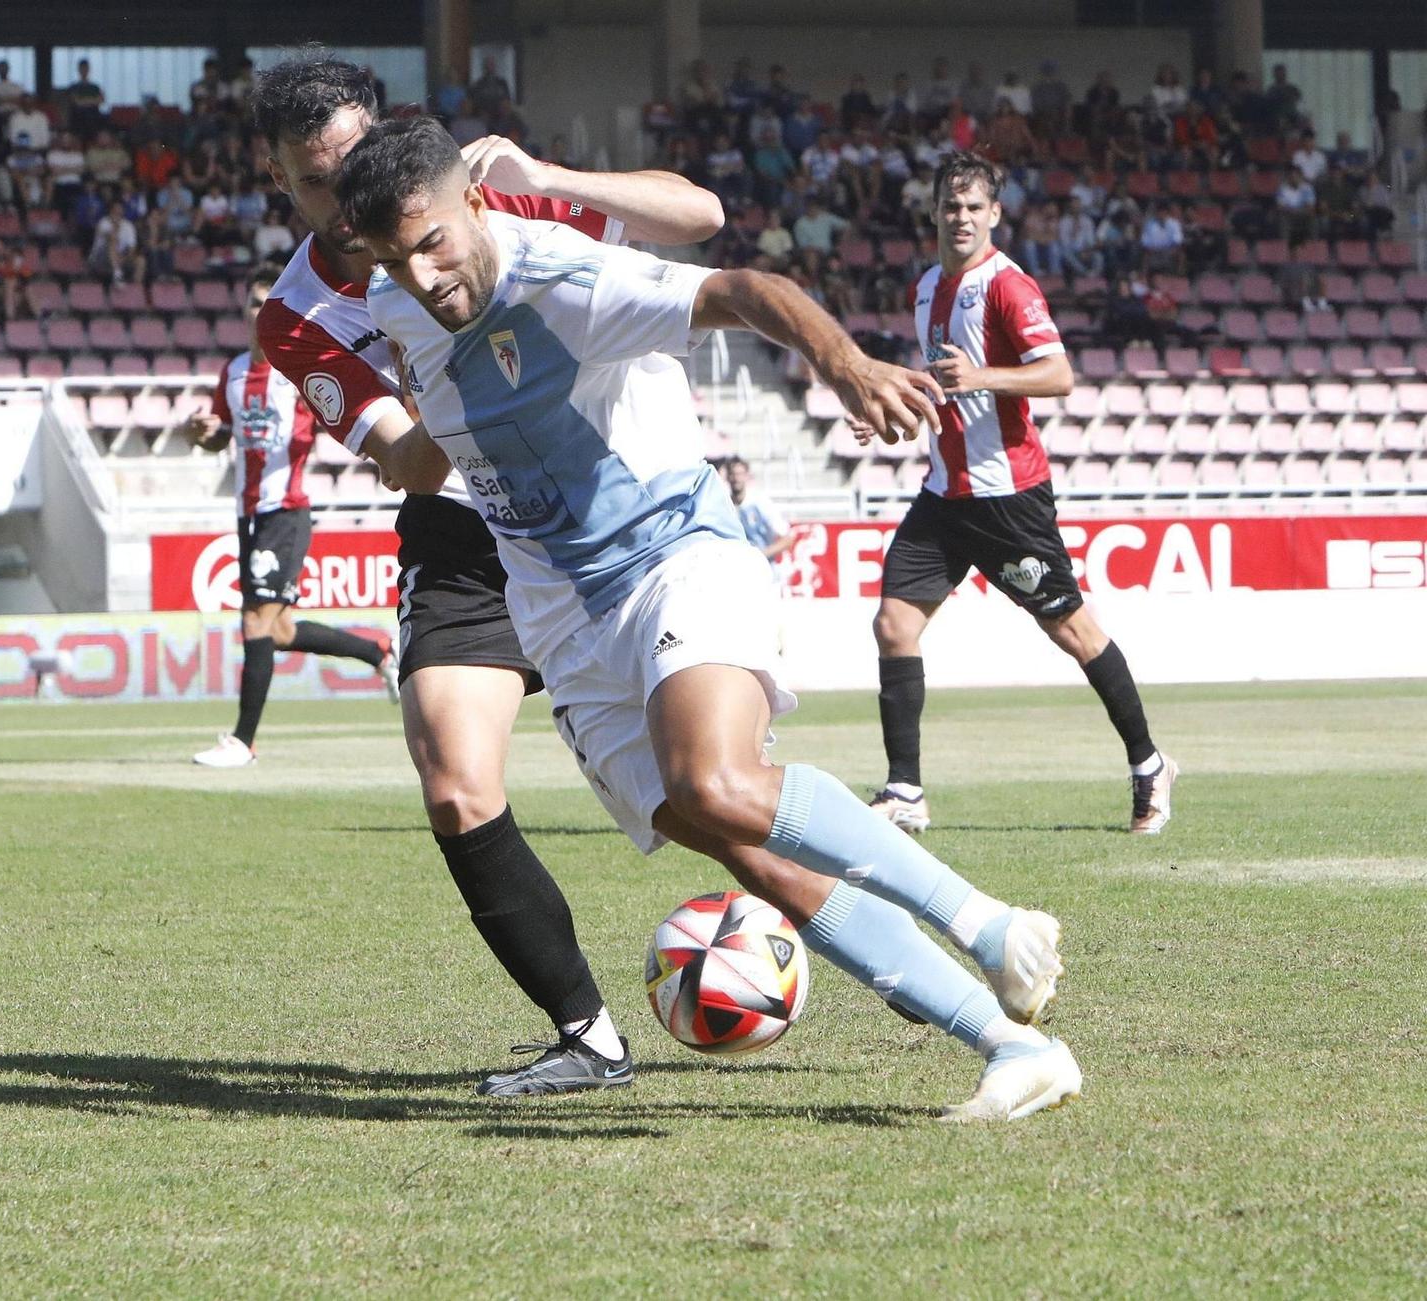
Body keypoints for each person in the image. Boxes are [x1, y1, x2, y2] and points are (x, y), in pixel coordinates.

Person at [338, 116, 1081, 1122]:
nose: (421, 276)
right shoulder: (397, 300)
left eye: (432, 243)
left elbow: (736, 286)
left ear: (473, 205)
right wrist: (396, 447)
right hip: (563, 619)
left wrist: (844, 361)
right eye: (394, 257)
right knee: (736, 838)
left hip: (672, 557)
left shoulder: (560, 280)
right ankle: (1009, 1042)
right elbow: (446, 434)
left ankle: (986, 922)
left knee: (716, 778)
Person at [248, 56, 723, 1098]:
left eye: (349, 161)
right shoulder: (293, 317)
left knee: (706, 798)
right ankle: (587, 1035)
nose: (336, 195)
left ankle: (869, 909)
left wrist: (553, 176)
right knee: (455, 784)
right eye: (311, 180)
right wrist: (453, 381)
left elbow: (698, 214)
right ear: (278, 180)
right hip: (467, 540)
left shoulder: (477, 197)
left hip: (605, 518)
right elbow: (411, 462)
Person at [861, 152, 1175, 836]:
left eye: (975, 207)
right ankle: (905, 789)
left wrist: (982, 377)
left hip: (1008, 498)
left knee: (1074, 631)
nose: (962, 217)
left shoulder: (1009, 287)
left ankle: (1149, 763)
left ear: (996, 214)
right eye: (951, 205)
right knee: (894, 625)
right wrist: (886, 406)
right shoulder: (925, 288)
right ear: (934, 211)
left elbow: (1059, 374)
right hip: (944, 495)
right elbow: (943, 381)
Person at [187, 269, 401, 769]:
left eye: (267, 302)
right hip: (248, 512)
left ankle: (243, 741)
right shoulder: (234, 372)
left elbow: (337, 411)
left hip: (287, 509)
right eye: (252, 303)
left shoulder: (295, 371)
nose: (258, 311)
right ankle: (378, 651)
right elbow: (221, 435)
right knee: (278, 630)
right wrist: (202, 431)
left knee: (255, 622)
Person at [721, 457, 794, 569]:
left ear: (746, 476)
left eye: (740, 474)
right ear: (727, 477)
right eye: (732, 474)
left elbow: (787, 539)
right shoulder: (725, 505)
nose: (736, 478)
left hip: (765, 571)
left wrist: (760, 556)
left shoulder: (760, 502)